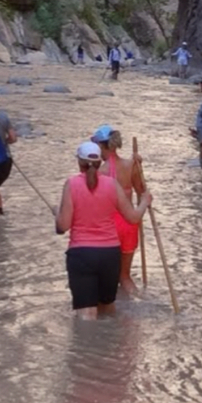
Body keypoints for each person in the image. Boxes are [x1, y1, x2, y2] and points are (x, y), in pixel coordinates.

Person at [55, 140, 151, 318]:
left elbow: (63, 226)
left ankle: (86, 346)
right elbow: (133, 217)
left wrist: (57, 214)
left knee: (87, 313)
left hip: (81, 254)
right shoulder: (112, 185)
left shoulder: (72, 184)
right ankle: (108, 344)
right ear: (99, 162)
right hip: (110, 255)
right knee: (108, 310)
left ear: (79, 162)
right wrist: (144, 202)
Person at [91, 125, 141, 297]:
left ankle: (109, 316)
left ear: (102, 147)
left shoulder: (100, 172)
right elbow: (142, 192)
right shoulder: (131, 165)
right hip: (130, 223)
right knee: (125, 277)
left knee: (105, 277)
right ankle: (138, 300)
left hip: (110, 226)